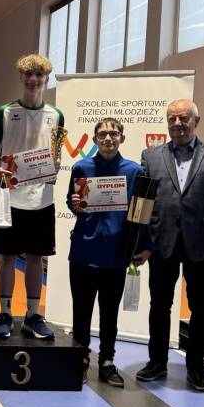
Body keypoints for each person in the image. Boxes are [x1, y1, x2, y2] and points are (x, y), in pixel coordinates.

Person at [134, 99, 204, 392]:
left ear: (196, 121)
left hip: (202, 245)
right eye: (172, 119)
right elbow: (142, 203)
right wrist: (140, 243)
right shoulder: (150, 156)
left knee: (201, 309)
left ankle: (196, 368)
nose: (177, 124)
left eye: (183, 118)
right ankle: (157, 362)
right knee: (159, 305)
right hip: (161, 243)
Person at [67, 118, 150, 387]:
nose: (108, 138)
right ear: (95, 140)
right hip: (83, 252)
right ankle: (80, 358)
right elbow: (72, 203)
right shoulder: (81, 167)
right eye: (102, 134)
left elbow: (143, 213)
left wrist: (144, 246)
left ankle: (107, 361)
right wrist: (75, 204)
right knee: (81, 312)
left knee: (109, 313)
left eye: (113, 134)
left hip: (116, 255)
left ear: (122, 138)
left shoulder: (134, 171)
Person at [0, 54, 60, 340]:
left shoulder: (56, 115)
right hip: (11, 195)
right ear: (21, 77)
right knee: (7, 256)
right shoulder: (4, 112)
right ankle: (5, 314)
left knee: (35, 258)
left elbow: (55, 155)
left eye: (39, 75)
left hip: (42, 198)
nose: (33, 80)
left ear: (46, 79)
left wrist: (55, 166)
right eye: (28, 75)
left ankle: (32, 316)